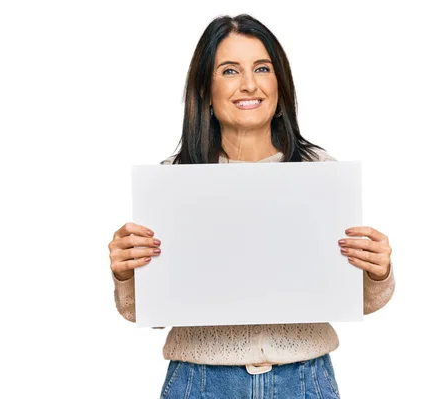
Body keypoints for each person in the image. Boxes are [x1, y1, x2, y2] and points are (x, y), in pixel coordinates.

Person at [108, 14, 395, 398]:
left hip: (304, 380)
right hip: (201, 382)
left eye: (262, 68)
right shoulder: (172, 180)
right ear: (206, 90)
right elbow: (141, 312)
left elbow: (357, 298)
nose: (249, 84)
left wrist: (378, 271)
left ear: (279, 84)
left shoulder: (320, 172)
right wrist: (127, 273)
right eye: (229, 70)